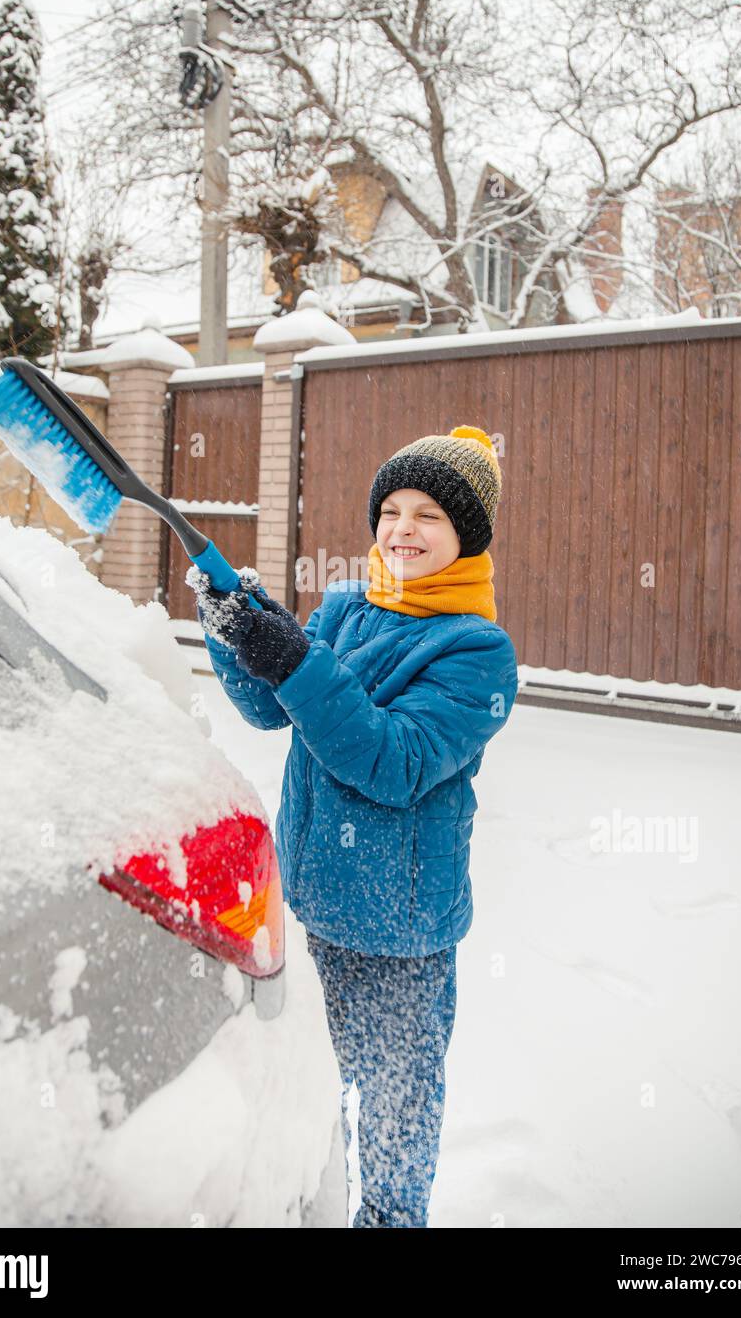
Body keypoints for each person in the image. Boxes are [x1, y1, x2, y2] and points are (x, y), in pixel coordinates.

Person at [187, 425, 518, 1228]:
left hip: (400, 931)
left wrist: (295, 657)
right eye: (391, 510)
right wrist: (236, 632)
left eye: (428, 516)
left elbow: (393, 762)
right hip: (304, 906)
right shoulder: (345, 607)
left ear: (466, 536)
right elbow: (271, 708)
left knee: (396, 1104)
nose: (402, 529)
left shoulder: (477, 653)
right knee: (307, 1089)